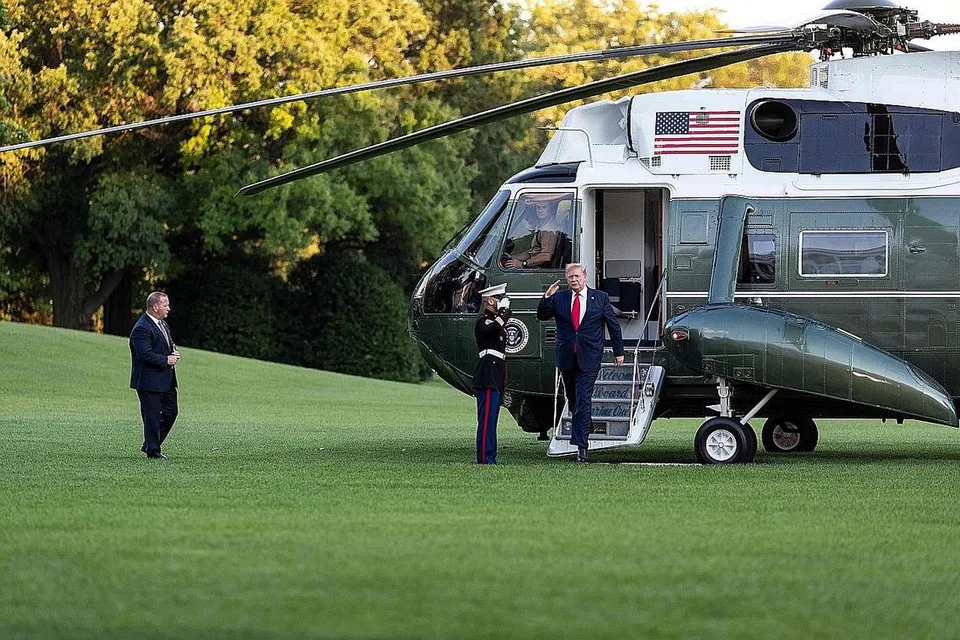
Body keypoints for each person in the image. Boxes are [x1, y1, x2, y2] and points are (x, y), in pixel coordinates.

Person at [537, 263, 624, 462]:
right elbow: (541, 316)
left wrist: (619, 352)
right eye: (570, 278)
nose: (573, 280)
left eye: (576, 276)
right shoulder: (560, 298)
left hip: (590, 357)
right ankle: (586, 424)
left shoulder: (599, 298)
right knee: (574, 398)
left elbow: (613, 326)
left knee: (584, 398)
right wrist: (547, 297)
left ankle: (581, 446)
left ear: (585, 277)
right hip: (567, 357)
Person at [129, 291, 181, 460]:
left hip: (166, 379)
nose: (169, 309)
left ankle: (150, 443)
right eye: (165, 305)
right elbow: (144, 355)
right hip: (148, 380)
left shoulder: (163, 324)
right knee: (151, 416)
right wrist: (167, 360)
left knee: (171, 412)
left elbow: (166, 345)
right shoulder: (141, 328)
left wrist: (173, 352)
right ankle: (153, 451)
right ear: (155, 306)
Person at [473, 283, 512, 464]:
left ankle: (490, 456)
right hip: (488, 375)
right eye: (498, 299)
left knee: (492, 420)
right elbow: (493, 328)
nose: (502, 302)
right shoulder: (484, 322)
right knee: (487, 421)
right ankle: (485, 458)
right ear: (490, 300)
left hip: (495, 375)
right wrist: (504, 311)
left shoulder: (495, 321)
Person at [504, 200, 560, 269]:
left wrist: (523, 264)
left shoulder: (549, 229)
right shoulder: (542, 226)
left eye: (544, 207)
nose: (540, 210)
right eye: (538, 208)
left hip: (540, 269)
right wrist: (511, 258)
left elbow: (546, 256)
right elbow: (532, 252)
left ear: (550, 209)